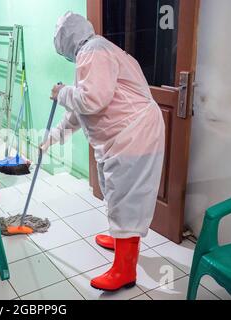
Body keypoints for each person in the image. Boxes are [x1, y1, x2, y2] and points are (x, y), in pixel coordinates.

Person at [42, 12, 165, 292]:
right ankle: (121, 239)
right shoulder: (95, 51)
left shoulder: (93, 52)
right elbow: (81, 111)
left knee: (126, 199)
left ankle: (124, 270)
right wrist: (52, 138)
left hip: (134, 135)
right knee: (116, 193)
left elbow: (91, 100)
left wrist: (61, 92)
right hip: (124, 135)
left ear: (67, 41)